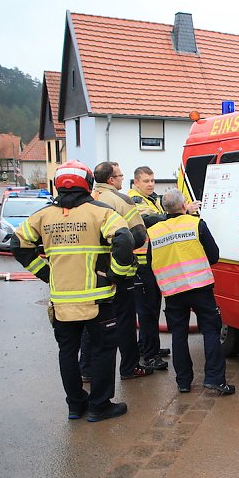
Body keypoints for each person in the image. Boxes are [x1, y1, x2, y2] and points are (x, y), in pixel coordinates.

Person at [11, 160, 137, 422]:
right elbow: (125, 238)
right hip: (98, 299)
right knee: (103, 351)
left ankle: (75, 405)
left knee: (67, 353)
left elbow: (18, 243)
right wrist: (117, 273)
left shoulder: (43, 215)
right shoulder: (101, 212)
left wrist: (45, 273)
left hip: (61, 302)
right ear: (88, 183)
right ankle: (99, 406)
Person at [147, 189, 234, 395]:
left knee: (178, 335)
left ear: (163, 208)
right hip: (200, 287)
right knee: (211, 331)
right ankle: (214, 379)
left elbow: (151, 262)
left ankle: (183, 382)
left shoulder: (155, 231)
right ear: (184, 205)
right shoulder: (197, 224)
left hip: (172, 291)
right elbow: (214, 256)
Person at [78, 161, 153, 380]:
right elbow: (137, 236)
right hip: (119, 273)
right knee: (125, 321)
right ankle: (129, 368)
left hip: (92, 272)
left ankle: (86, 369)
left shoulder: (88, 200)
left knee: (91, 322)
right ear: (111, 180)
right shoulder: (121, 201)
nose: (122, 179)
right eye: (120, 176)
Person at [127, 166, 170, 370]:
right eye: (146, 181)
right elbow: (149, 220)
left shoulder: (152, 199)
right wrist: (174, 215)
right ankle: (150, 355)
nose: (151, 184)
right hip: (142, 266)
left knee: (152, 311)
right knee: (146, 312)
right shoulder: (134, 200)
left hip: (153, 264)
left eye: (152, 180)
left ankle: (148, 346)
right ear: (136, 182)